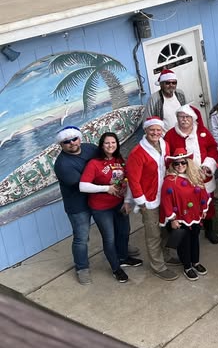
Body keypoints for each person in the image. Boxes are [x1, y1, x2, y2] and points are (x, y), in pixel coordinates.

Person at [79, 132, 142, 284]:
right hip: (101, 208)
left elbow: (127, 180)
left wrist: (127, 201)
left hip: (119, 204)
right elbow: (83, 186)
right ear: (102, 145)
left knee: (124, 232)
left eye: (113, 142)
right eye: (107, 143)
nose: (110, 145)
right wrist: (105, 188)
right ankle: (116, 268)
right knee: (110, 238)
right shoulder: (94, 163)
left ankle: (123, 257)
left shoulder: (119, 160)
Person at [126, 117, 179, 281]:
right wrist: (141, 202)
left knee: (165, 229)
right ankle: (158, 266)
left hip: (165, 196)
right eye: (152, 130)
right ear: (146, 130)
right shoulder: (138, 153)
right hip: (148, 200)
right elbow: (133, 180)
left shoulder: (164, 144)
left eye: (158, 130)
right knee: (153, 233)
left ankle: (165, 254)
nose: (155, 133)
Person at [165, 104, 218, 244]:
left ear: (193, 118)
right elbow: (166, 157)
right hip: (181, 179)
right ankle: (187, 233)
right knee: (185, 206)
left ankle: (209, 229)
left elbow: (212, 148)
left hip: (203, 176)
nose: (183, 120)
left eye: (187, 117)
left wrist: (208, 166)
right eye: (180, 117)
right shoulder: (171, 135)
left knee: (207, 203)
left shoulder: (202, 132)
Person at [53, 127, 101, 284]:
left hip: (99, 198)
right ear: (61, 145)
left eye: (74, 139)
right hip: (78, 205)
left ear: (80, 138)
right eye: (66, 141)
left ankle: (122, 251)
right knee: (81, 238)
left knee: (110, 229)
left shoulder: (90, 148)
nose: (71, 143)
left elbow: (106, 162)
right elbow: (83, 184)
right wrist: (108, 185)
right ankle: (82, 268)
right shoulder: (62, 164)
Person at [159, 152, 209, 281]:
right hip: (180, 218)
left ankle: (195, 262)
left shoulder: (194, 176)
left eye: (183, 162)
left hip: (195, 216)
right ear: (172, 165)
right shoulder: (169, 181)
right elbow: (166, 201)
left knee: (195, 239)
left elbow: (203, 193)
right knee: (184, 243)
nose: (180, 165)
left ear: (188, 163)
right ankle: (187, 266)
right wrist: (172, 219)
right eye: (176, 163)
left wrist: (204, 208)